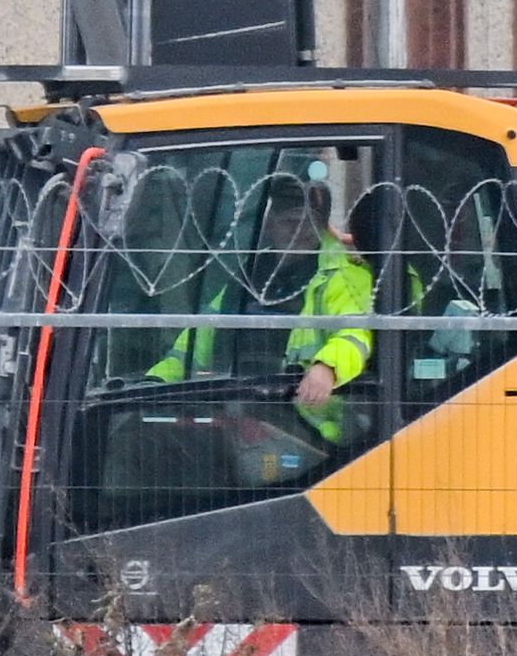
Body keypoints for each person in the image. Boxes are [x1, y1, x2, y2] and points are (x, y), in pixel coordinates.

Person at [146, 161, 380, 447]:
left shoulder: (341, 274)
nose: (300, 231)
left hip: (314, 430)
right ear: (269, 225)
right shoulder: (249, 278)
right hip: (242, 417)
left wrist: (327, 368)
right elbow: (193, 349)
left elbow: (356, 334)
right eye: (290, 222)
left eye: (309, 223)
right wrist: (154, 384)